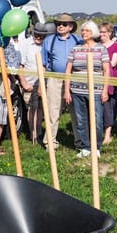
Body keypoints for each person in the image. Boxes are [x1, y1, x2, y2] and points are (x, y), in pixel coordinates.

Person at [64, 21, 110, 157]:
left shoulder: (101, 49)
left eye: (87, 31)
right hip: (77, 90)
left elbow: (106, 70)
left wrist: (105, 90)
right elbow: (68, 70)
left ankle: (96, 147)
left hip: (96, 90)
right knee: (80, 119)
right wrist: (67, 90)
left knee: (96, 119)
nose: (84, 33)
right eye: (82, 31)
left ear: (93, 33)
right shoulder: (75, 49)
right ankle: (85, 147)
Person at [41, 13, 81, 149]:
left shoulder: (78, 40)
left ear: (70, 27)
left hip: (75, 79)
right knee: (53, 111)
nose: (60, 26)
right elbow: (43, 64)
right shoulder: (49, 40)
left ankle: (80, 142)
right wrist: (42, 84)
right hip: (54, 79)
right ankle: (50, 142)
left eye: (64, 24)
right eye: (58, 24)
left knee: (76, 112)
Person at [19, 22, 51, 144]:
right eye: (37, 35)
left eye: (42, 36)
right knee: (32, 108)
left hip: (44, 82)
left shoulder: (46, 44)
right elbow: (20, 66)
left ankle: (38, 132)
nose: (39, 38)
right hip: (30, 82)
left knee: (41, 108)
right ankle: (32, 133)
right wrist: (24, 83)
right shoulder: (25, 44)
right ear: (33, 33)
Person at [97, 22, 117, 145]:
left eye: (104, 32)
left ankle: (107, 135)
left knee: (108, 108)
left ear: (110, 33)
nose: (102, 35)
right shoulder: (97, 45)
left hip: (110, 80)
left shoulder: (115, 46)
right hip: (97, 79)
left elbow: (113, 63)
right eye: (100, 32)